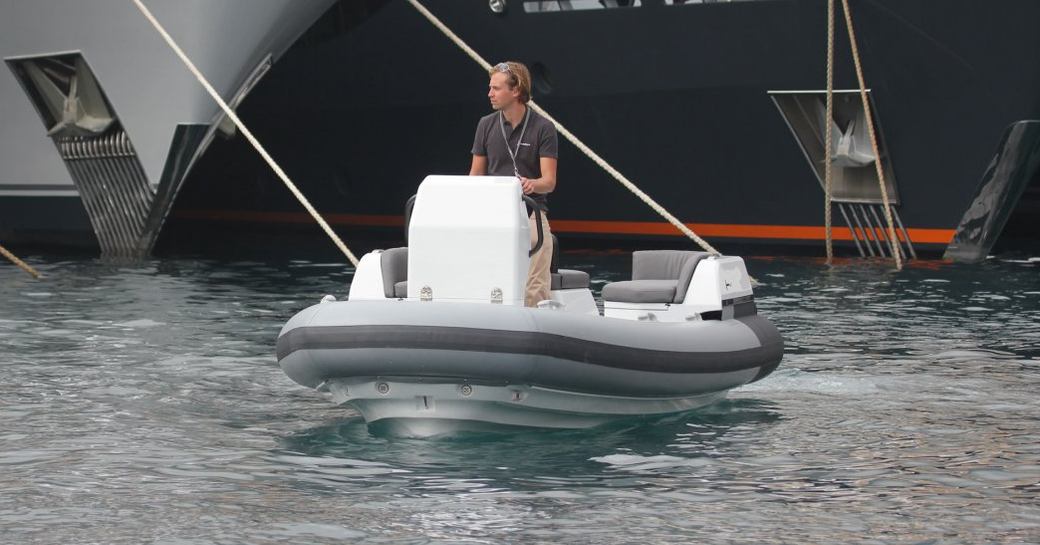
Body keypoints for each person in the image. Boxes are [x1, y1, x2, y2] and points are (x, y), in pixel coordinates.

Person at [469, 61, 558, 308]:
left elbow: (548, 182)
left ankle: (536, 325)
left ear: (516, 90)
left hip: (531, 212)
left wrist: (531, 184)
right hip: (493, 214)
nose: (490, 93)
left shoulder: (544, 128)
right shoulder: (485, 125)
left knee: (535, 286)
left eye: (496, 88)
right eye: (490, 88)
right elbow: (475, 176)